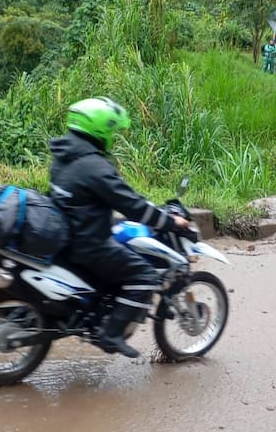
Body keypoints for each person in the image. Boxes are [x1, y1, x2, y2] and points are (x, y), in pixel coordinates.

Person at [47, 97, 191, 358]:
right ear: (100, 129)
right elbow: (132, 204)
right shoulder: (96, 167)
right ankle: (111, 334)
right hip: (87, 244)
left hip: (65, 233)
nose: (114, 135)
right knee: (145, 277)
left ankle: (98, 311)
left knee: (120, 241)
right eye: (112, 129)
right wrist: (170, 221)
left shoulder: (64, 154)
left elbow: (86, 201)